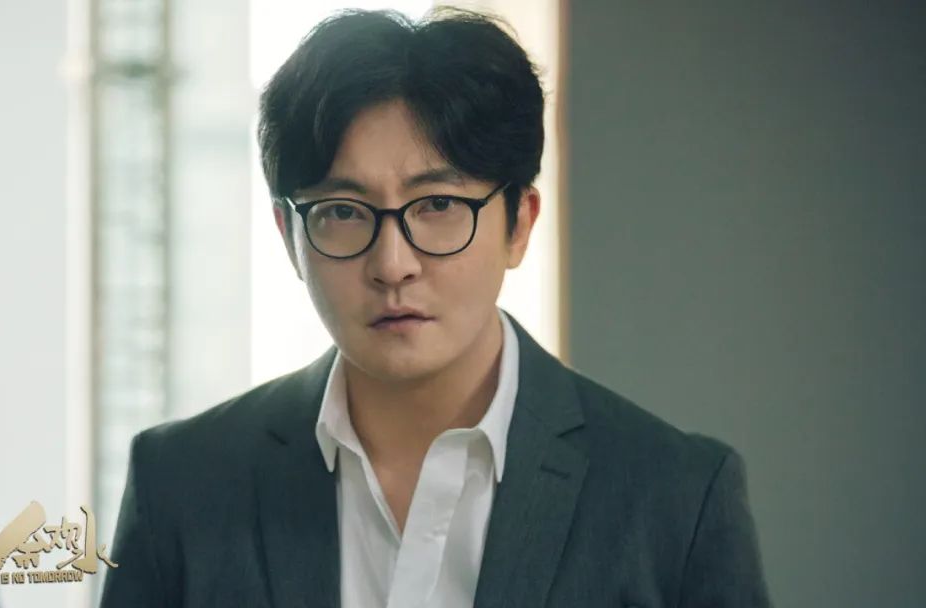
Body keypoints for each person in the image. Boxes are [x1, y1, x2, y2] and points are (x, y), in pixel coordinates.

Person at [100, 7, 771, 607]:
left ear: (520, 223)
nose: (393, 264)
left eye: (439, 205)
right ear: (288, 236)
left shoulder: (674, 498)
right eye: (342, 212)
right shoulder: (182, 484)